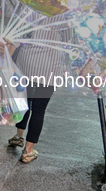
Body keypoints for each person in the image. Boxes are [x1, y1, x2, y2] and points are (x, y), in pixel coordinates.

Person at [6, 10, 70, 163]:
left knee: (24, 102)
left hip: (26, 64)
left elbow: (15, 39)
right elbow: (67, 43)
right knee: (39, 109)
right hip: (50, 67)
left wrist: (4, 63)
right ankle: (28, 151)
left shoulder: (28, 9)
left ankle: (19, 136)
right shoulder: (64, 15)